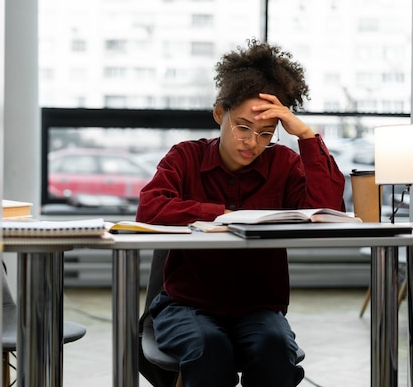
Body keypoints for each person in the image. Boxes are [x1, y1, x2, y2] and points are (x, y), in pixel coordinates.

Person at [135, 38, 346, 387]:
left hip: (259, 309)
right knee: (210, 349)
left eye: (266, 133)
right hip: (187, 304)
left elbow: (326, 210)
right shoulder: (185, 158)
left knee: (275, 351)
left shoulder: (284, 163)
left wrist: (305, 135)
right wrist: (224, 214)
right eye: (243, 127)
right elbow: (150, 208)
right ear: (220, 113)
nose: (252, 142)